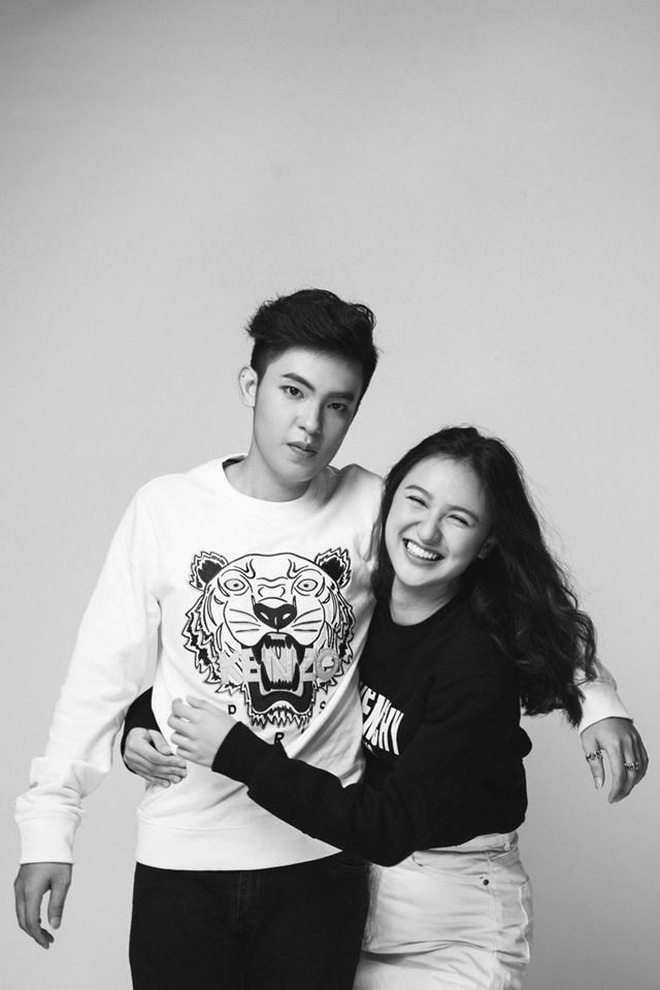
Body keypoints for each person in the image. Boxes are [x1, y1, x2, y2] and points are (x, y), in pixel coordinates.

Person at [15, 289, 643, 990]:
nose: (310, 424)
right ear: (251, 385)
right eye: (293, 391)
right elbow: (101, 673)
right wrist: (52, 824)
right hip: (182, 856)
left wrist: (597, 700)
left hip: (323, 861)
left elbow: (508, 597)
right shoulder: (165, 511)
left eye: (338, 405)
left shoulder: (375, 507)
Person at [132, 426, 648, 989]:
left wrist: (240, 754)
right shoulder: (363, 601)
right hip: (357, 900)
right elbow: (257, 670)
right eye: (416, 501)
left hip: (453, 921)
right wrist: (143, 718)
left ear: (487, 542)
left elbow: (387, 827)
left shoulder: (475, 664)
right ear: (387, 499)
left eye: (459, 519)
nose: (427, 531)